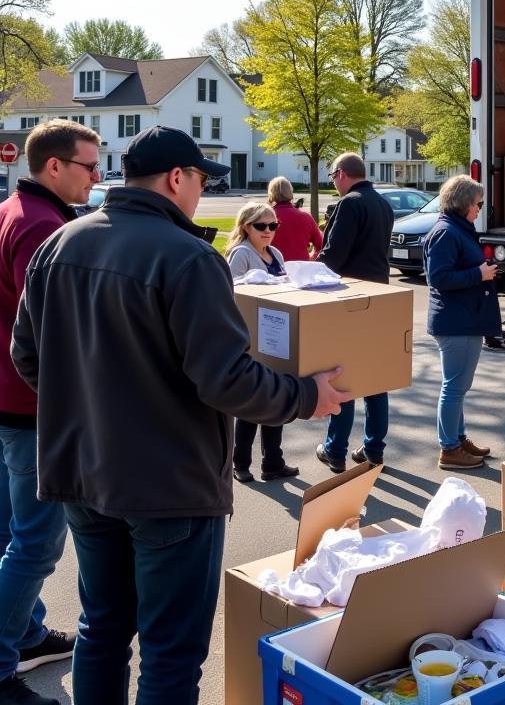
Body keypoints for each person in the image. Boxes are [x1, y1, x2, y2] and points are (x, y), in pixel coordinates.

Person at [11, 125, 349, 705]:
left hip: (84, 475)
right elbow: (226, 380)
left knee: (102, 629)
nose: (200, 191)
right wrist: (304, 396)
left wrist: (92, 409)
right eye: (199, 179)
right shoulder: (188, 257)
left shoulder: (60, 244)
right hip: (170, 487)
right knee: (170, 652)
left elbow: (28, 357)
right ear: (176, 178)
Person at [0, 120, 99, 705]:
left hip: (9, 399)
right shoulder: (42, 227)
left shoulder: (14, 209)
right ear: (54, 167)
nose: (97, 176)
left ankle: (30, 632)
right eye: (89, 166)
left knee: (12, 533)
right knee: (35, 544)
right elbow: (53, 334)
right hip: (31, 406)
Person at [315, 153, 394, 471]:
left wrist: (309, 274)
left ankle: (335, 450)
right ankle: (374, 450)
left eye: (332, 176)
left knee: (342, 377)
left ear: (342, 174)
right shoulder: (382, 203)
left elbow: (334, 257)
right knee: (376, 378)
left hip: (348, 302)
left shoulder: (350, 203)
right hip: (379, 300)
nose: (333, 183)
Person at [423, 174, 500, 470]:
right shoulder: (446, 232)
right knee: (454, 387)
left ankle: (458, 438)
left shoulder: (456, 228)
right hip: (456, 322)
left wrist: (483, 271)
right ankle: (449, 448)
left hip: (463, 318)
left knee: (459, 386)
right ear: (464, 203)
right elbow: (438, 278)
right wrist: (478, 274)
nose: (480, 208)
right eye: (478, 203)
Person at [226, 203, 299, 483]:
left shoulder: (276, 253)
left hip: (276, 336)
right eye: (261, 226)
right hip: (251, 338)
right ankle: (241, 462)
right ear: (246, 226)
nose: (268, 231)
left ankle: (273, 462)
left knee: (276, 399)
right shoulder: (241, 254)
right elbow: (231, 295)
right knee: (253, 402)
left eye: (273, 226)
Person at [267, 176, 323, 261]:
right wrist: (311, 258)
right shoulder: (306, 217)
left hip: (273, 269)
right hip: (301, 269)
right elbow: (321, 246)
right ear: (291, 192)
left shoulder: (264, 217)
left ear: (271, 193)